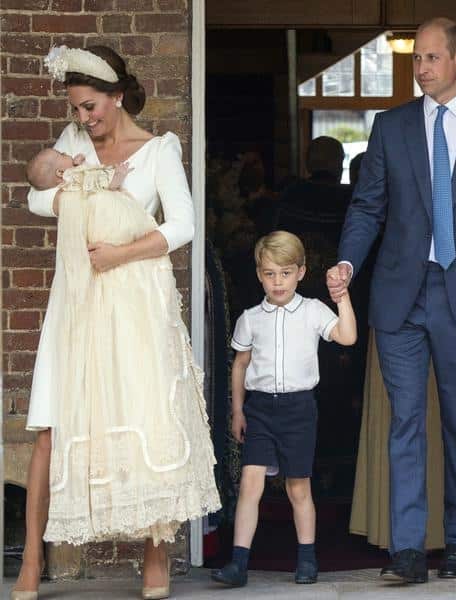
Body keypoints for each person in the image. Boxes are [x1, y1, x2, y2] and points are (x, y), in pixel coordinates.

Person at [327, 17, 456, 583]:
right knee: (406, 422)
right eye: (416, 59)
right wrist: (348, 262)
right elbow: (368, 206)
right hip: (399, 295)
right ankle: (409, 551)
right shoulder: (390, 127)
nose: (421, 68)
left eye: (432, 58)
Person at [13, 45, 221, 600]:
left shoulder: (158, 151)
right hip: (77, 300)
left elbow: (182, 226)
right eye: (76, 110)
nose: (82, 120)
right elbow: (37, 197)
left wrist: (119, 254)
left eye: (90, 108)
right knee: (51, 425)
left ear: (117, 97)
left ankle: (158, 555)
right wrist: (78, 191)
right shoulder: (74, 145)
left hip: (132, 296)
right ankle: (32, 558)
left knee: (148, 415)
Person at [211, 231, 357, 588]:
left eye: (286, 273)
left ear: (301, 272)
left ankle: (307, 558)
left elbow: (348, 336)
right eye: (270, 273)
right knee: (250, 483)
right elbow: (240, 366)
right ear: (259, 275)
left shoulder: (311, 311)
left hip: (298, 409)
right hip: (260, 409)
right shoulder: (250, 318)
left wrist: (343, 298)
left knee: (298, 487)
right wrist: (238, 411)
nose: (278, 282)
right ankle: (239, 562)